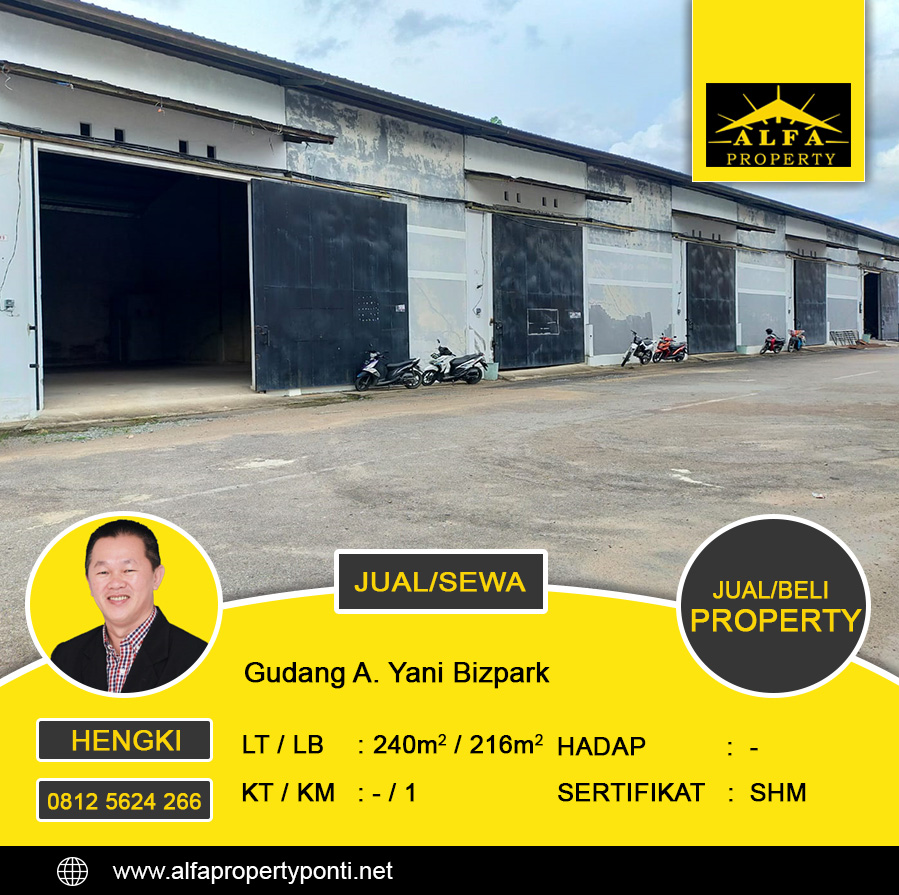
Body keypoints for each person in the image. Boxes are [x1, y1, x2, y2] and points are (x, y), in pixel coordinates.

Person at [51, 519, 207, 693]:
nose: (115, 583)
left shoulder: (199, 658)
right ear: (89, 582)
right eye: (103, 572)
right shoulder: (65, 658)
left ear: (156, 577)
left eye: (128, 570)